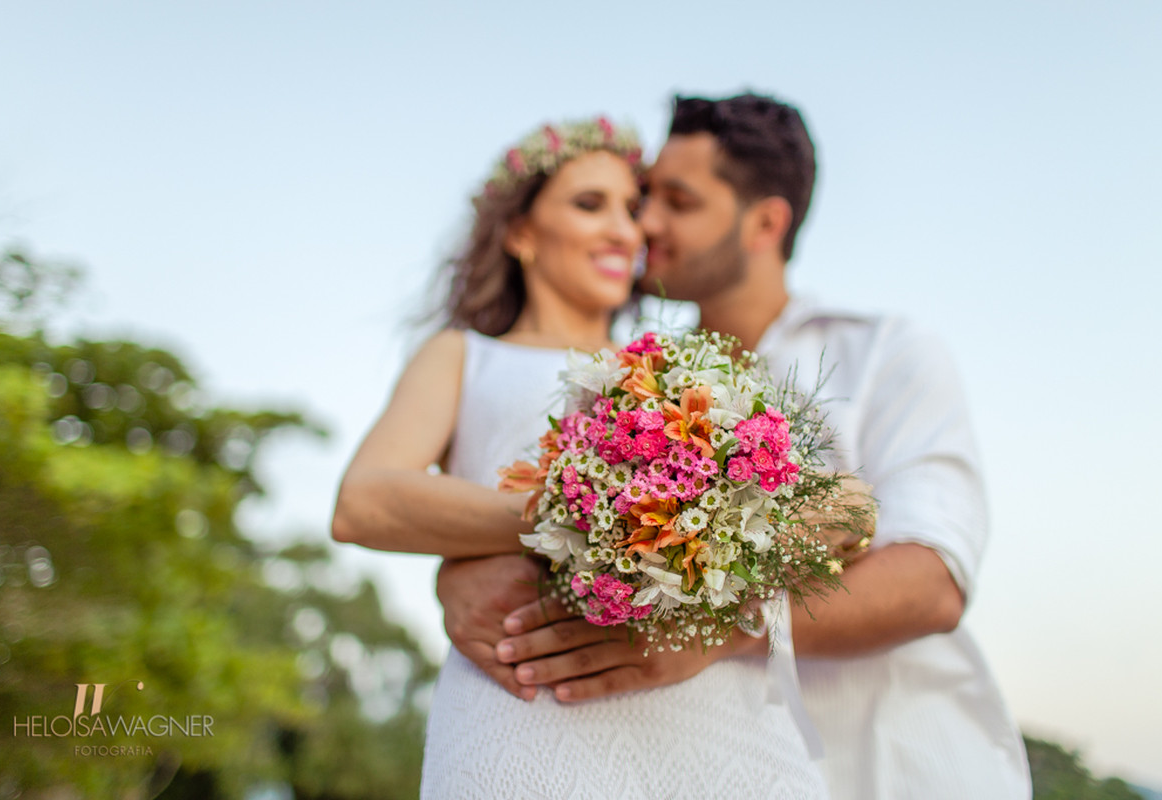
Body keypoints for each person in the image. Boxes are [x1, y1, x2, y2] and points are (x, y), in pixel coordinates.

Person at [436, 94, 1033, 800]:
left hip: (894, 767)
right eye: (646, 196)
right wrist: (461, 578)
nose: (645, 223)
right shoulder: (632, 380)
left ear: (765, 223)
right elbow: (573, 521)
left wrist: (721, 631)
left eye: (677, 202)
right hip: (699, 768)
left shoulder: (884, 352)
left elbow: (932, 579)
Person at [332, 117, 832, 798]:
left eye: (633, 209)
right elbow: (363, 502)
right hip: (527, 699)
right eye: (589, 204)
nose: (627, 232)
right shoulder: (466, 355)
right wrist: (583, 517)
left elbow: (837, 505)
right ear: (521, 232)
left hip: (705, 706)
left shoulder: (679, 367)